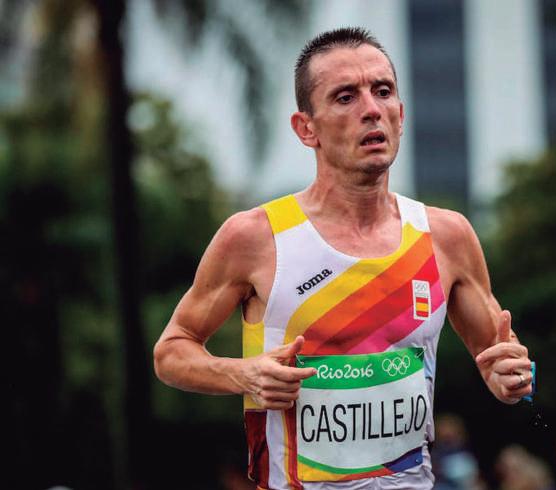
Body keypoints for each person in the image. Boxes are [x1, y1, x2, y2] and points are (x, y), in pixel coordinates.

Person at [153, 27, 534, 490]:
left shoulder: (446, 236)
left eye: (383, 91)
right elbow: (171, 352)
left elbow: (499, 356)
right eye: (345, 97)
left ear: (400, 115)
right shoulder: (256, 237)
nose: (371, 109)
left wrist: (510, 377)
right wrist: (243, 374)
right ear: (306, 128)